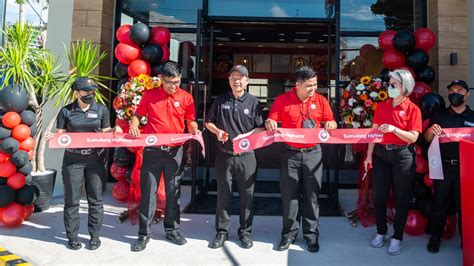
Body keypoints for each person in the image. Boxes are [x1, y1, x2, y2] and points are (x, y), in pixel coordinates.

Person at [265, 66, 337, 253]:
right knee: (290, 197)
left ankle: (311, 236)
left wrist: (331, 123)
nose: (313, 89)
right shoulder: (283, 100)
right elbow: (271, 119)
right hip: (290, 154)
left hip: (313, 153)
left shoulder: (321, 100)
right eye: (309, 85)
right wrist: (270, 122)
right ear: (297, 85)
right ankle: (288, 235)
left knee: (312, 196)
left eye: (315, 85)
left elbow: (332, 121)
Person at [130, 62, 200, 252]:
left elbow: (190, 120)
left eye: (177, 82)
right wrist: (134, 125)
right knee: (148, 193)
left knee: (173, 192)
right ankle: (144, 234)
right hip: (152, 151)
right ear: (161, 79)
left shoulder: (186, 97)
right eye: (170, 82)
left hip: (175, 152)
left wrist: (194, 129)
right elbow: (137, 115)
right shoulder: (150, 95)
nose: (174, 86)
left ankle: (172, 230)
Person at [48, 77, 122, 250]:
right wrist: (53, 137)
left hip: (95, 159)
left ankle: (95, 236)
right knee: (72, 200)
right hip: (73, 160)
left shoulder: (101, 109)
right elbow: (61, 135)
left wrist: (114, 129)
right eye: (86, 91)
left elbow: (105, 132)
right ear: (76, 92)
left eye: (92, 91)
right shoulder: (66, 111)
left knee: (95, 199)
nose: (90, 94)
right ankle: (72, 237)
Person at [205, 65, 264, 249]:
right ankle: (222, 232)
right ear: (229, 80)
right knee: (223, 195)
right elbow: (208, 122)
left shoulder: (254, 102)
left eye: (241, 78)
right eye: (233, 77)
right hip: (225, 156)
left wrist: (246, 137)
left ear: (246, 81)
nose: (237, 81)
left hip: (247, 156)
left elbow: (261, 128)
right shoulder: (221, 100)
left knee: (247, 196)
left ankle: (245, 232)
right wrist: (218, 132)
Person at [363, 69, 422, 256]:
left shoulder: (413, 109)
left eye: (395, 84)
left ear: (405, 87)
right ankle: (381, 231)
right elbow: (373, 133)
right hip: (381, 155)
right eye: (390, 84)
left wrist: (395, 129)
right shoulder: (382, 106)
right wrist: (369, 155)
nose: (391, 87)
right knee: (379, 196)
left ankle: (397, 237)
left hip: (403, 156)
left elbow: (413, 137)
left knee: (401, 198)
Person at [424, 80, 473, 253]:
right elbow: (427, 138)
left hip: (467, 169)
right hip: (443, 167)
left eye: (460, 90)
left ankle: (467, 241)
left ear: (467, 95)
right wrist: (430, 132)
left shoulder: (473, 117)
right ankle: (435, 238)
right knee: (439, 204)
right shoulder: (439, 115)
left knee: (465, 208)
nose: (455, 93)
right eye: (452, 90)